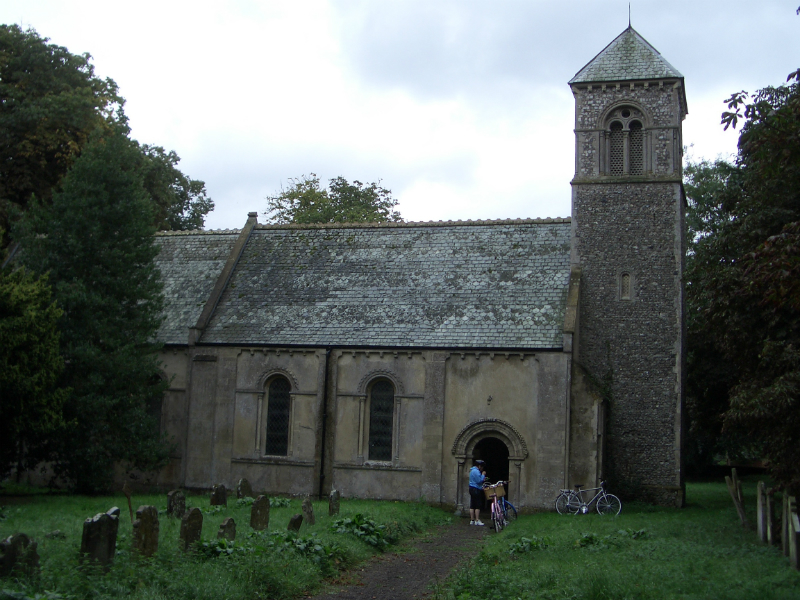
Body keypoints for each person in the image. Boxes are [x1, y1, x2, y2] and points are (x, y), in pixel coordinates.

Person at [468, 459, 487, 525]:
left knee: (472, 505)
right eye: (481, 467)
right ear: (479, 466)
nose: (482, 468)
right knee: (477, 505)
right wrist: (483, 475)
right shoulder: (476, 471)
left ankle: (472, 520)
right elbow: (479, 481)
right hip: (476, 489)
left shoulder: (471, 471)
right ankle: (477, 520)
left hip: (471, 488)